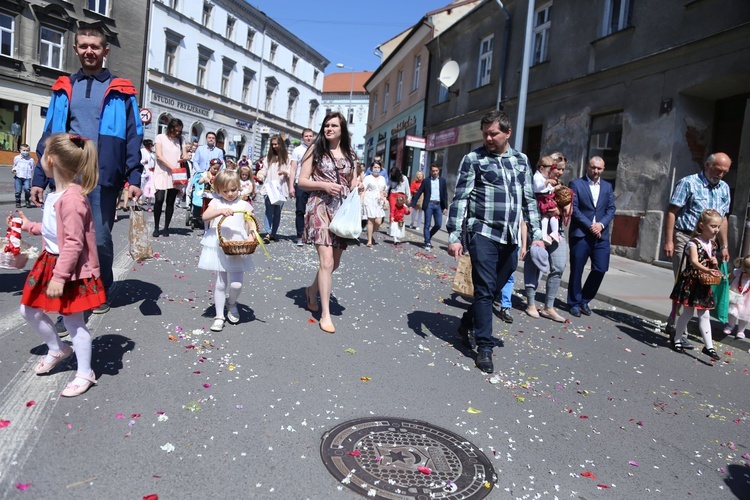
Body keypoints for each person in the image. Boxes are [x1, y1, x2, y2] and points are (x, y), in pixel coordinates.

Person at [31, 25, 143, 317]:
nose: (89, 51)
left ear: (105, 51)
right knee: (65, 236)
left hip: (104, 174)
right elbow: (49, 134)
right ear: (75, 49)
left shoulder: (122, 89)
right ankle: (72, 292)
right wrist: (39, 178)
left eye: (95, 46)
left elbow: (134, 134)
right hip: (67, 173)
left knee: (101, 238)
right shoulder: (63, 86)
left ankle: (102, 286)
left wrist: (134, 176)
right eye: (83, 46)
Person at [447, 110, 543, 373]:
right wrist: (455, 236)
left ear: (507, 133)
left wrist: (537, 235)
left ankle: (467, 323)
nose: (489, 138)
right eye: (485, 133)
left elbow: (528, 200)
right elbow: (460, 199)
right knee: (485, 288)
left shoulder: (521, 160)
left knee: (492, 290)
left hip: (511, 237)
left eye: (494, 133)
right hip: (483, 233)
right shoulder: (473, 159)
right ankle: (485, 347)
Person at [16, 133, 106, 397]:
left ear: (51, 160)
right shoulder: (56, 194)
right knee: (28, 310)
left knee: (73, 321)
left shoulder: (72, 199)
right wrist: (30, 227)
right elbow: (55, 230)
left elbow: (74, 243)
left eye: (42, 154)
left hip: (69, 269)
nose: (39, 159)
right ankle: (57, 348)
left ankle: (85, 372)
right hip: (51, 262)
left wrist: (59, 277)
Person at [298, 112, 359, 334]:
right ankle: (325, 314)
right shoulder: (315, 150)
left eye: (333, 125)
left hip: (341, 211)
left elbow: (352, 183)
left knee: (334, 264)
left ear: (342, 129)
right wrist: (323, 185)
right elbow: (302, 181)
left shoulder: (351, 154)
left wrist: (358, 187)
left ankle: (311, 290)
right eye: (326, 125)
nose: (329, 128)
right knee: (326, 262)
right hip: (319, 207)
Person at [663, 153, 732, 335]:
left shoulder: (724, 188)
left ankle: (681, 324)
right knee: (684, 281)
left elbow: (724, 218)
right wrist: (669, 240)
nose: (721, 175)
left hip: (709, 244)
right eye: (718, 170)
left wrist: (724, 245)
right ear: (708, 165)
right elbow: (671, 212)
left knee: (700, 284)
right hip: (685, 238)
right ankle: (675, 322)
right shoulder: (688, 183)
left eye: (725, 172)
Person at [198, 170, 255, 332]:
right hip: (220, 243)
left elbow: (250, 222)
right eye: (225, 191)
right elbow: (205, 216)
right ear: (218, 190)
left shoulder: (244, 204)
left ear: (239, 187)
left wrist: (251, 235)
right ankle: (218, 316)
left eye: (233, 190)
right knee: (220, 283)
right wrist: (220, 211)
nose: (230, 194)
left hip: (237, 245)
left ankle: (232, 303)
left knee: (236, 284)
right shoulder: (216, 202)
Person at [524, 153, 572, 323]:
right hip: (537, 229)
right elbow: (527, 203)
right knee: (534, 265)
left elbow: (567, 209)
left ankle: (548, 307)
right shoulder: (536, 181)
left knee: (558, 266)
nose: (560, 173)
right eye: (557, 169)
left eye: (562, 170)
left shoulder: (559, 186)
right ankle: (530, 303)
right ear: (549, 167)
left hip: (556, 231)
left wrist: (562, 208)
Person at [669, 209, 723, 360]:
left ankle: (709, 347)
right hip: (692, 282)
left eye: (718, 227)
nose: (716, 230)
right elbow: (693, 261)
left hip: (703, 284)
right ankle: (677, 339)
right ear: (701, 226)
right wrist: (708, 269)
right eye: (713, 226)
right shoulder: (693, 243)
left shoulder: (712, 244)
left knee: (704, 315)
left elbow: (710, 262)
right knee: (687, 313)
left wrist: (714, 263)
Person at [566, 156, 616, 317]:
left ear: (603, 169)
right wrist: (590, 226)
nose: (596, 171)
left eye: (599, 168)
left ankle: (584, 300)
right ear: (587, 166)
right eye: (593, 167)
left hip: (601, 235)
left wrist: (600, 225)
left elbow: (611, 209)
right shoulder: (576, 184)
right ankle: (574, 302)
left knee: (601, 268)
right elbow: (574, 209)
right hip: (581, 234)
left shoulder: (608, 187)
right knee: (577, 269)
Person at [152, 118, 184, 237]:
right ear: (170, 128)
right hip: (162, 170)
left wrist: (185, 157)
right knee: (159, 199)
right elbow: (159, 156)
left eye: (179, 131)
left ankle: (166, 227)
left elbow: (184, 155)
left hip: (175, 173)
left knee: (170, 201)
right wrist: (172, 167)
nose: (177, 133)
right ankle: (156, 227)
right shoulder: (160, 137)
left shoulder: (180, 140)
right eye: (175, 130)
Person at [257, 135, 291, 243]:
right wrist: (261, 175)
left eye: (276, 144)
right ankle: (267, 232)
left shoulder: (288, 158)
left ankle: (273, 233)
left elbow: (292, 172)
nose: (274, 146)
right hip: (270, 188)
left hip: (281, 189)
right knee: (268, 210)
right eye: (272, 144)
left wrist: (285, 172)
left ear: (281, 144)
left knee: (277, 212)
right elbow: (264, 169)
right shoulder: (269, 158)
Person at [411, 164, 448, 250]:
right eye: (433, 171)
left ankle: (428, 236)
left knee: (438, 224)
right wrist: (412, 204)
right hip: (429, 205)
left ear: (439, 171)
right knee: (427, 224)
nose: (435, 172)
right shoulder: (426, 181)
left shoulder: (442, 181)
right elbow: (419, 192)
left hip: (438, 205)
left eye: (436, 171)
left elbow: (445, 194)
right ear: (430, 171)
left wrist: (445, 207)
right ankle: (427, 242)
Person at [290, 129, 315, 247]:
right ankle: (300, 235)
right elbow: (293, 169)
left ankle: (310, 235)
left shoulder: (317, 149)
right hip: (300, 183)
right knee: (300, 210)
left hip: (314, 183)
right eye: (306, 136)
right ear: (302, 137)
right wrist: (291, 186)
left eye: (310, 136)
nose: (308, 138)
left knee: (312, 210)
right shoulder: (297, 150)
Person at [533, 156, 561, 244]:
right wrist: (547, 182)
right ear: (542, 168)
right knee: (545, 216)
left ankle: (555, 232)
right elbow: (538, 187)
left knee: (554, 215)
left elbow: (549, 189)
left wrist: (554, 188)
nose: (549, 174)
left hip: (547, 198)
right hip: (541, 198)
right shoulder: (537, 176)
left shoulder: (545, 177)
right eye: (549, 172)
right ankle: (544, 234)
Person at [361, 162, 387, 247]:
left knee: (378, 221)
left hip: (379, 201)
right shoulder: (368, 178)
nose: (376, 169)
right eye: (375, 167)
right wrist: (361, 201)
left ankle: (370, 233)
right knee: (370, 220)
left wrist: (385, 195)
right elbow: (363, 189)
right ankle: (369, 240)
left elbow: (384, 189)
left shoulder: (382, 178)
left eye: (378, 167)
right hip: (369, 200)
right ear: (371, 168)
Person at [724, 255, 750, 340]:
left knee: (744, 315)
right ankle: (730, 325)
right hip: (736, 295)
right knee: (732, 311)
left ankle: (741, 331)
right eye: (744, 269)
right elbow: (731, 275)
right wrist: (725, 277)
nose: (744, 272)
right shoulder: (739, 272)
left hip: (747, 299)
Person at [13, 144, 35, 208]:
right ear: (20, 150)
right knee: (18, 191)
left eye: (27, 150)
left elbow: (32, 168)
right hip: (18, 177)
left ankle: (27, 200)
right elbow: (15, 165)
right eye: (24, 150)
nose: (25, 152)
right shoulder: (17, 158)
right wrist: (14, 170)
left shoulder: (31, 159)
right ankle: (18, 202)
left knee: (27, 189)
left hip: (27, 177)